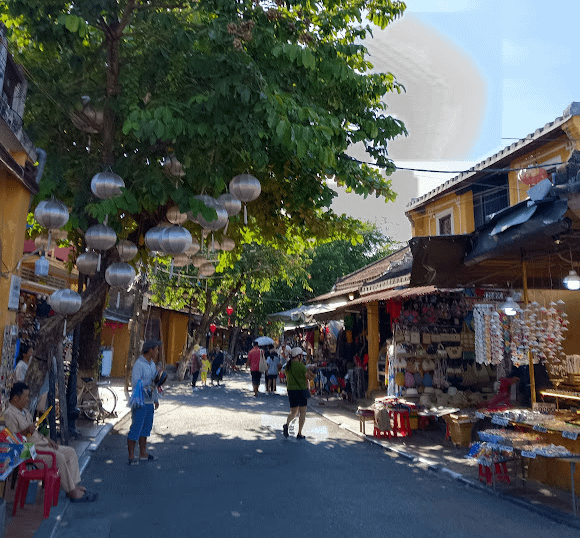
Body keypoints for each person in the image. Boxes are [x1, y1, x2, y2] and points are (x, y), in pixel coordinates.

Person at [4, 382, 97, 502]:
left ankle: (73, 485)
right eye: (25, 397)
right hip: (29, 450)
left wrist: (47, 440)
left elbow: (35, 433)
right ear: (16, 398)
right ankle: (71, 491)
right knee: (58, 457)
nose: (28, 399)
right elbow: (13, 440)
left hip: (40, 444)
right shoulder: (9, 414)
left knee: (70, 451)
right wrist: (26, 431)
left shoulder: (25, 412)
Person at [127, 339, 161, 465]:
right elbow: (136, 383)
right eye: (156, 349)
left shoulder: (152, 364)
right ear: (150, 350)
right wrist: (148, 386)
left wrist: (156, 399)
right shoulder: (139, 365)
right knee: (136, 428)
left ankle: (143, 453)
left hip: (149, 402)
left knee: (146, 428)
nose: (157, 351)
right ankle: (131, 455)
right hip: (140, 401)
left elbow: (154, 382)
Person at [283, 347, 316, 440]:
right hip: (301, 390)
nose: (302, 357)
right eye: (301, 356)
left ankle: (287, 424)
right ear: (298, 356)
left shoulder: (287, 366)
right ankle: (299, 433)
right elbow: (309, 377)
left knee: (293, 412)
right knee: (302, 412)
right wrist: (313, 373)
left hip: (291, 390)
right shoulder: (301, 366)